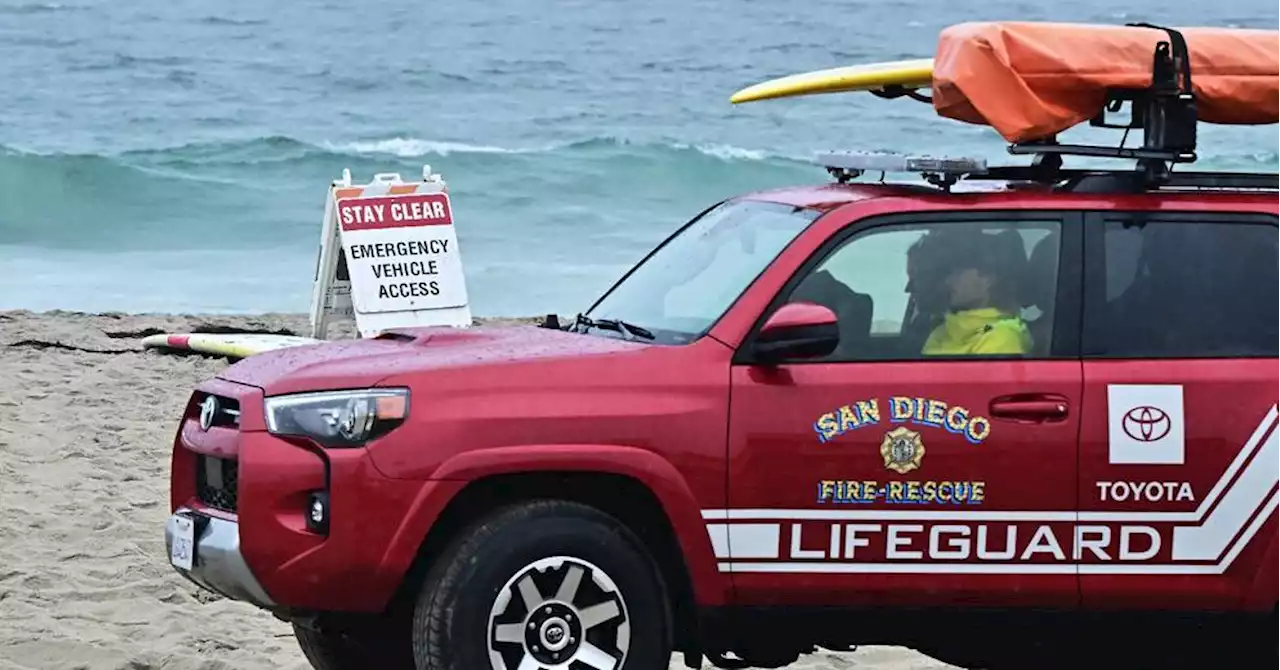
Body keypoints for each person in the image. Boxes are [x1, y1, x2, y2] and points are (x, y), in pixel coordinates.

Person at [920, 230, 1032, 356]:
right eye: (948, 273)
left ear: (988, 277)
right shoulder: (944, 332)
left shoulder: (1001, 335)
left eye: (958, 273)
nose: (948, 281)